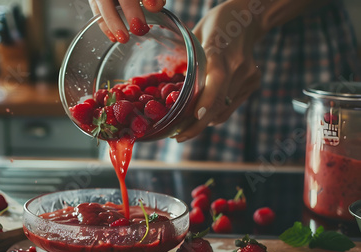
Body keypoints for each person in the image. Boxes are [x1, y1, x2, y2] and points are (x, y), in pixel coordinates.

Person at [88, 0, 361, 163]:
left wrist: (253, 13)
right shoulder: (151, 92)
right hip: (168, 45)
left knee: (312, 209)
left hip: (299, 55)